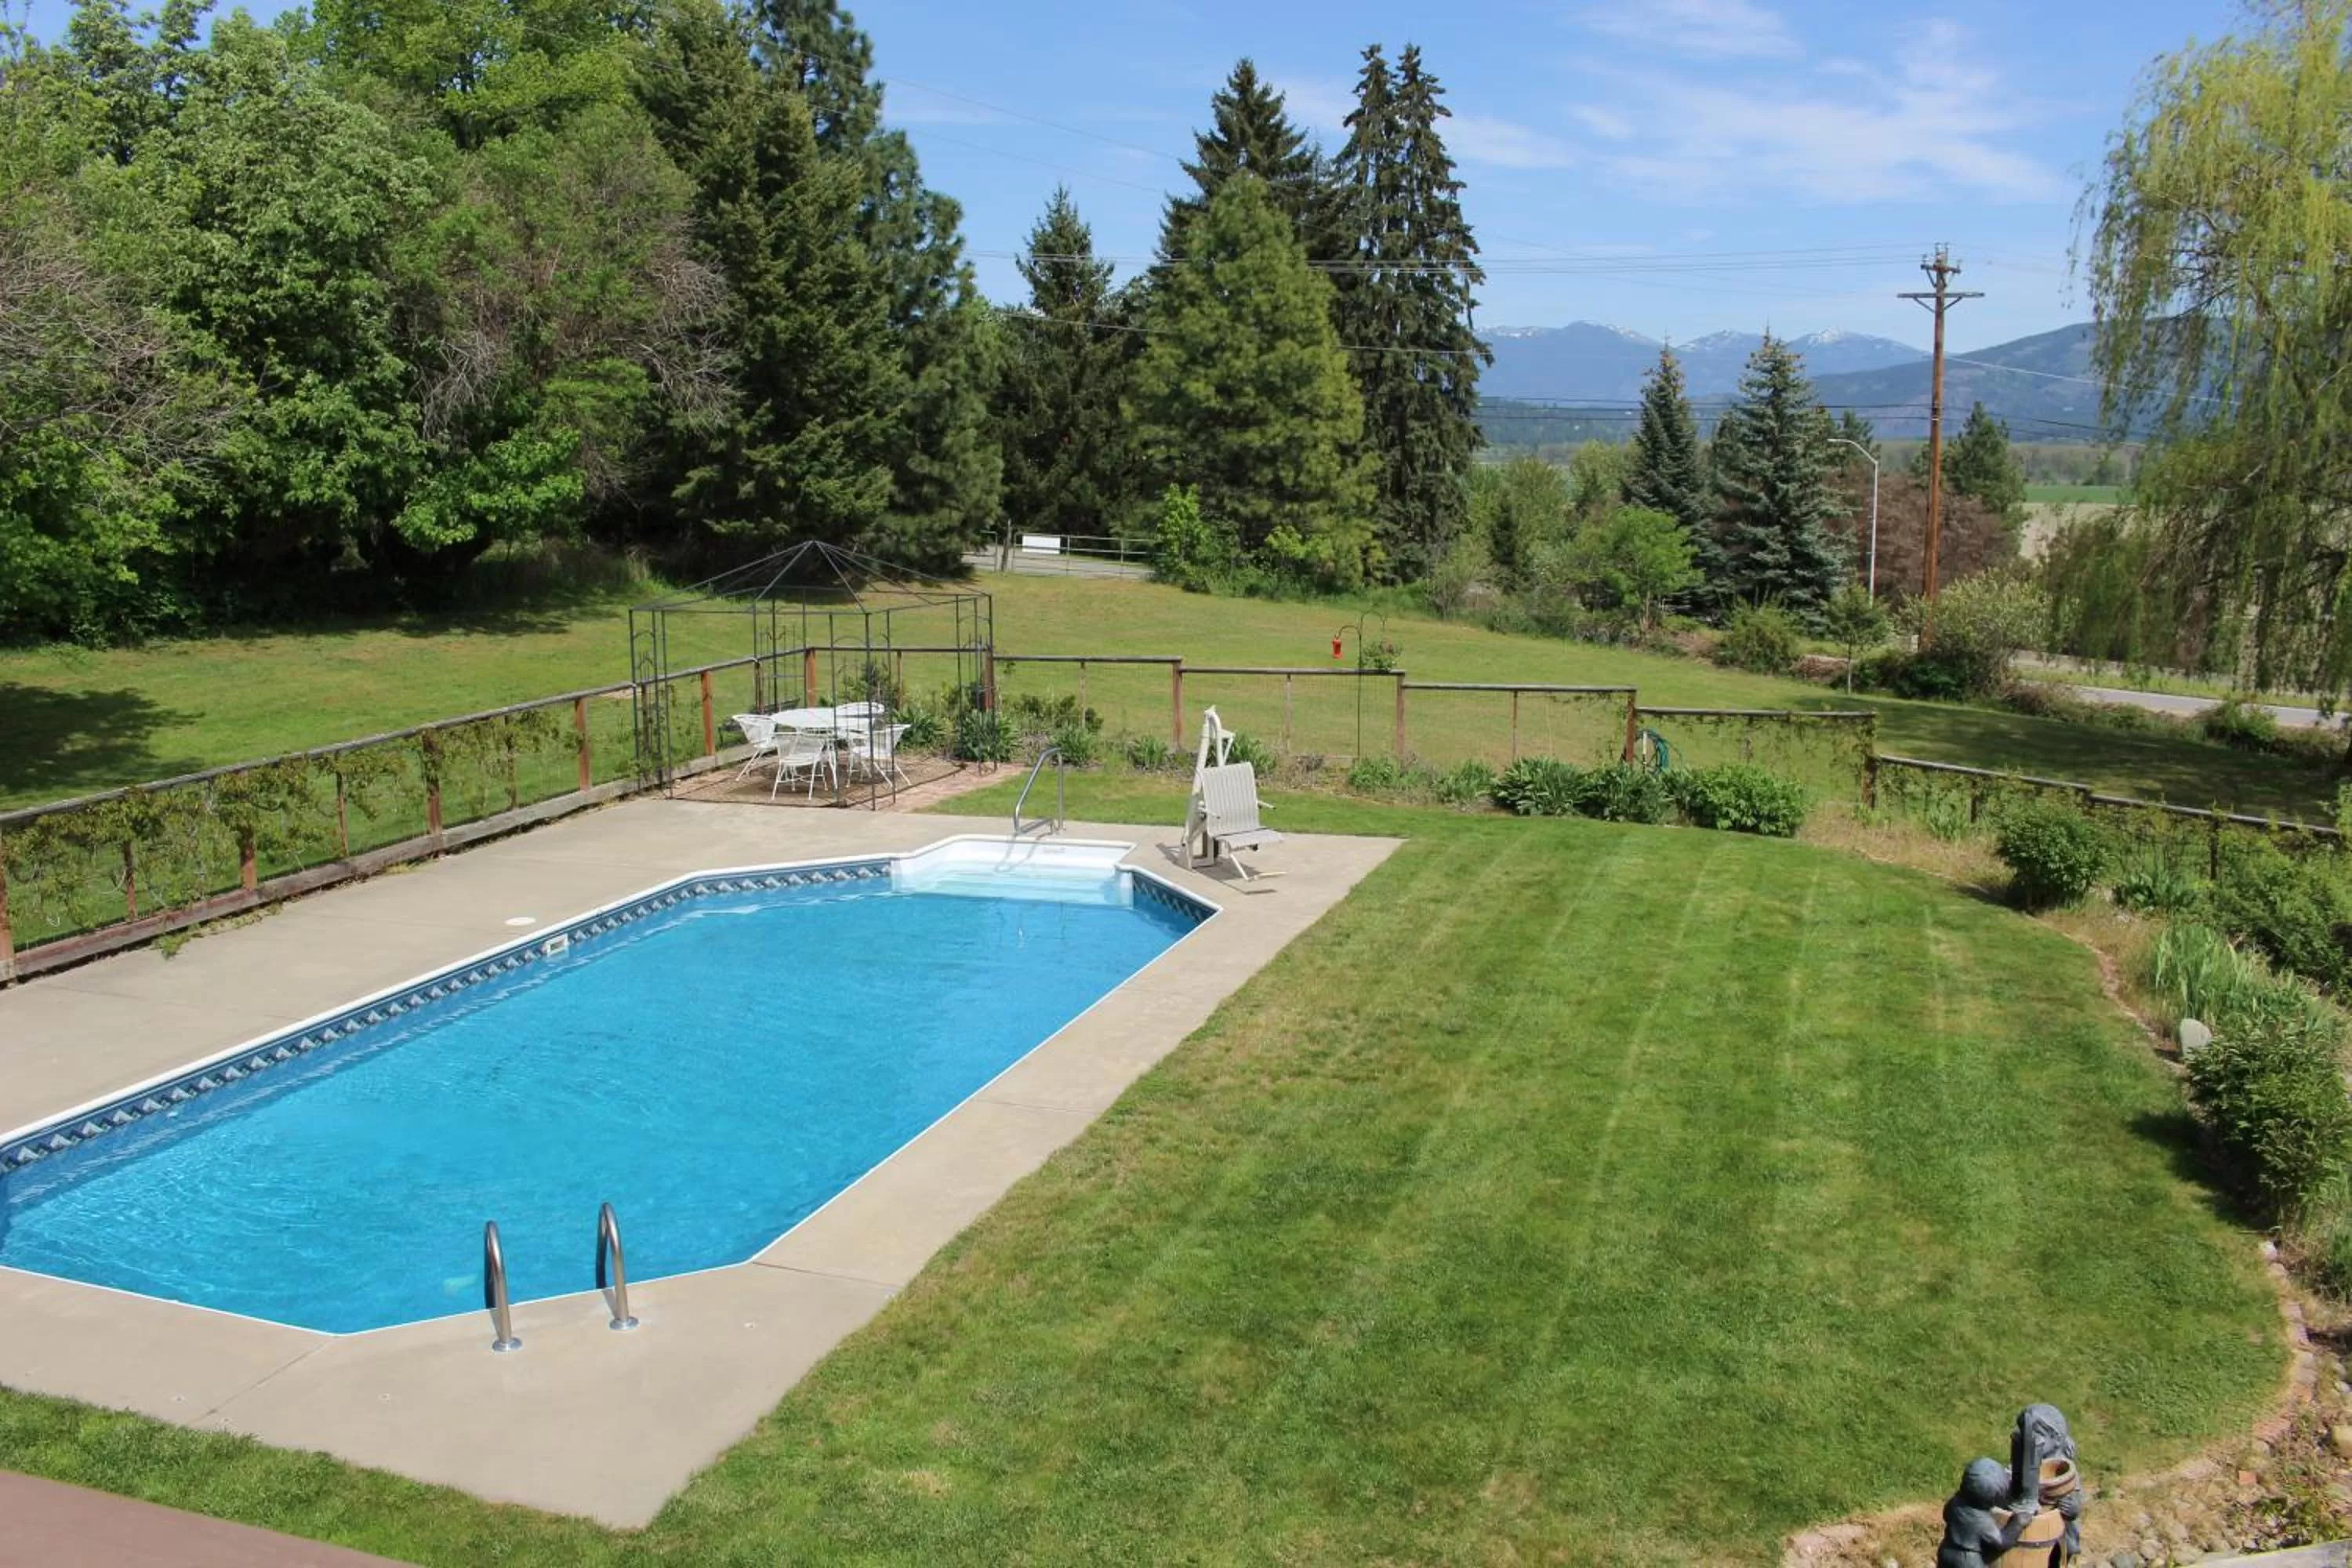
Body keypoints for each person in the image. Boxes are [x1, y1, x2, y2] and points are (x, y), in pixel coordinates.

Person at [1938, 1457, 2040, 1568]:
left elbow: (1946, 1514)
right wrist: (2018, 1523)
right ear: (1990, 1500)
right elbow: (2001, 1542)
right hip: (1967, 1560)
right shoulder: (1981, 1520)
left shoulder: (1955, 1503)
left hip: (1946, 1551)